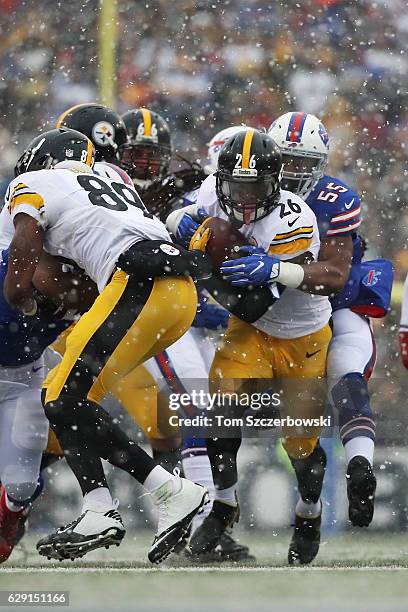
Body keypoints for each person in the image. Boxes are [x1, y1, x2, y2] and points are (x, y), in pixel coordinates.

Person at [3, 127, 211, 563]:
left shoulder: (35, 183)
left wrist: (19, 295)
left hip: (138, 283)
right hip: (177, 295)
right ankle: (100, 505)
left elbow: (24, 241)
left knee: (60, 398)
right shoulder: (113, 184)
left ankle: (169, 491)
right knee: (69, 397)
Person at [167, 128, 332, 565]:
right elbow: (175, 223)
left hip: (301, 333)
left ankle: (309, 511)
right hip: (248, 330)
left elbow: (257, 302)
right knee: (219, 413)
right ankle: (223, 502)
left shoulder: (295, 218)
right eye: (235, 185)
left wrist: (269, 267)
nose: (243, 196)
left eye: (254, 185)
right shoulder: (209, 194)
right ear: (220, 180)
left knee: (300, 443)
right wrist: (176, 224)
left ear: (275, 183)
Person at [268, 112, 392, 530]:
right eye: (287, 159)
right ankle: (352, 467)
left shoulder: (335, 199)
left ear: (320, 164)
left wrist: (277, 270)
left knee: (345, 370)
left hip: (331, 300)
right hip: (274, 309)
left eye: (304, 162)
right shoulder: (249, 188)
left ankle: (359, 468)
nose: (294, 171)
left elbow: (334, 276)